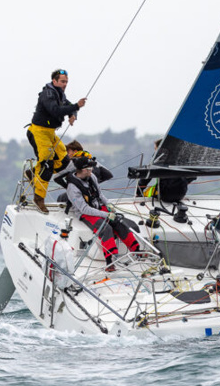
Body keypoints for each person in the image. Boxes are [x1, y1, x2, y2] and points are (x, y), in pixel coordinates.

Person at [66, 154, 141, 272]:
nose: (92, 170)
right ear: (84, 170)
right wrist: (106, 215)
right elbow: (84, 209)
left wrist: (109, 205)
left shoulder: (92, 177)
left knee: (118, 222)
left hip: (98, 207)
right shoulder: (72, 187)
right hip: (86, 213)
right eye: (90, 168)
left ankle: (137, 251)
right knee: (106, 228)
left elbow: (100, 195)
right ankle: (110, 261)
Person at [26, 69, 86, 213]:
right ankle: (38, 199)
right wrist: (76, 106)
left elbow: (68, 105)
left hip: (50, 133)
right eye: (62, 81)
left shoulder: (60, 94)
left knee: (64, 161)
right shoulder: (48, 94)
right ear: (54, 81)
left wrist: (73, 114)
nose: (65, 84)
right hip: (38, 132)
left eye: (66, 82)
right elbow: (56, 110)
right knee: (47, 163)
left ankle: (33, 173)